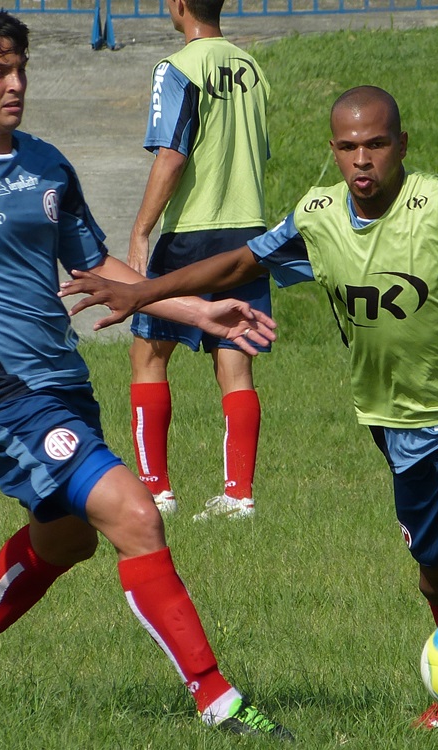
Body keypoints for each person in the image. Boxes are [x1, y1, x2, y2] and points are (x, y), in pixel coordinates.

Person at [62, 86, 438, 740]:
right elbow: (243, 259)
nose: (362, 160)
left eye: (376, 144)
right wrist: (144, 290)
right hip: (398, 426)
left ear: (401, 145)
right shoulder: (317, 216)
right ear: (333, 151)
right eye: (348, 147)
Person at [0, 7, 292, 740]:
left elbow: (97, 267)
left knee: (67, 539)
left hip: (63, 387)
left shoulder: (48, 164)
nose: (15, 83)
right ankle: (218, 702)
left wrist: (195, 312)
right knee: (136, 516)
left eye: (20, 67)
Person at [126, 0, 272, 520]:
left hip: (191, 231)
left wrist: (141, 229)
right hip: (249, 232)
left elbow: (173, 152)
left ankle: (154, 489)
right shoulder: (252, 68)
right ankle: (238, 495)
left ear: (178, 5)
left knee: (149, 356)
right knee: (235, 361)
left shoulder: (177, 68)